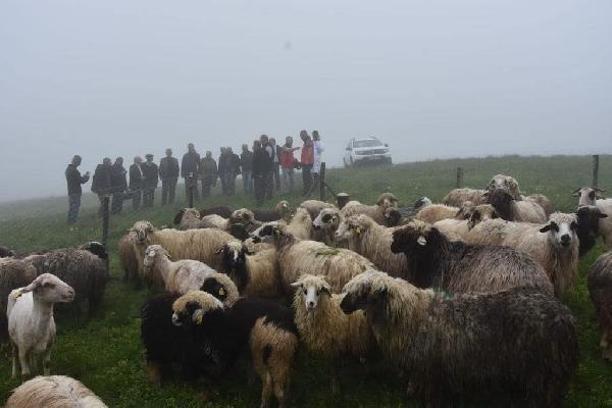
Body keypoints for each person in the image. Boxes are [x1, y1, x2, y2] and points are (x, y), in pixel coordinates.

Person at [65, 155, 90, 224]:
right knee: (75, 207)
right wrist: (87, 176)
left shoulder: (68, 169)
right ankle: (73, 222)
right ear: (76, 161)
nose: (80, 163)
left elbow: (77, 179)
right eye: (79, 162)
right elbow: (81, 180)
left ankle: (70, 221)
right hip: (75, 191)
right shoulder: (74, 171)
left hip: (71, 191)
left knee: (72, 207)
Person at [252, 140, 270, 206]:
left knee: (259, 188)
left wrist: (260, 173)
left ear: (257, 145)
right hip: (261, 173)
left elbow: (263, 163)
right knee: (262, 188)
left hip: (259, 173)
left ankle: (260, 202)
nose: (253, 146)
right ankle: (260, 201)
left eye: (254, 145)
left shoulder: (259, 152)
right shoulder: (263, 152)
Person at [300, 130, 314, 196]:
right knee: (306, 178)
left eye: (303, 135)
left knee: (307, 179)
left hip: (307, 163)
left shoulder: (308, 141)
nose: (302, 136)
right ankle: (307, 191)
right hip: (305, 163)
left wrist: (306, 162)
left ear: (306, 134)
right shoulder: (306, 142)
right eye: (301, 135)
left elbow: (309, 153)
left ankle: (308, 192)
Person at [260, 135, 275, 199]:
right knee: (267, 182)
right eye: (261, 139)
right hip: (266, 168)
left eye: (262, 139)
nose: (261, 141)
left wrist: (266, 166)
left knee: (269, 182)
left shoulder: (268, 147)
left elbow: (270, 158)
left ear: (265, 139)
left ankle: (269, 196)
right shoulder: (264, 147)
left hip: (268, 168)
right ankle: (268, 195)